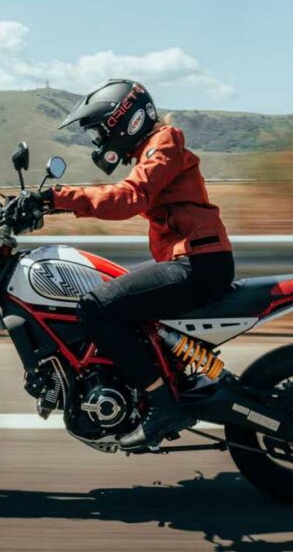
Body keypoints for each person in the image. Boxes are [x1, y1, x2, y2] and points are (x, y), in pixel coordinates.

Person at [37, 79, 234, 448]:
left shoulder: (165, 141)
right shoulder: (151, 148)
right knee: (110, 297)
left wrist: (57, 198)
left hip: (199, 262)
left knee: (96, 309)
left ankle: (163, 404)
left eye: (100, 131)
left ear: (123, 120)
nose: (99, 142)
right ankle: (148, 385)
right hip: (190, 259)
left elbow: (130, 197)